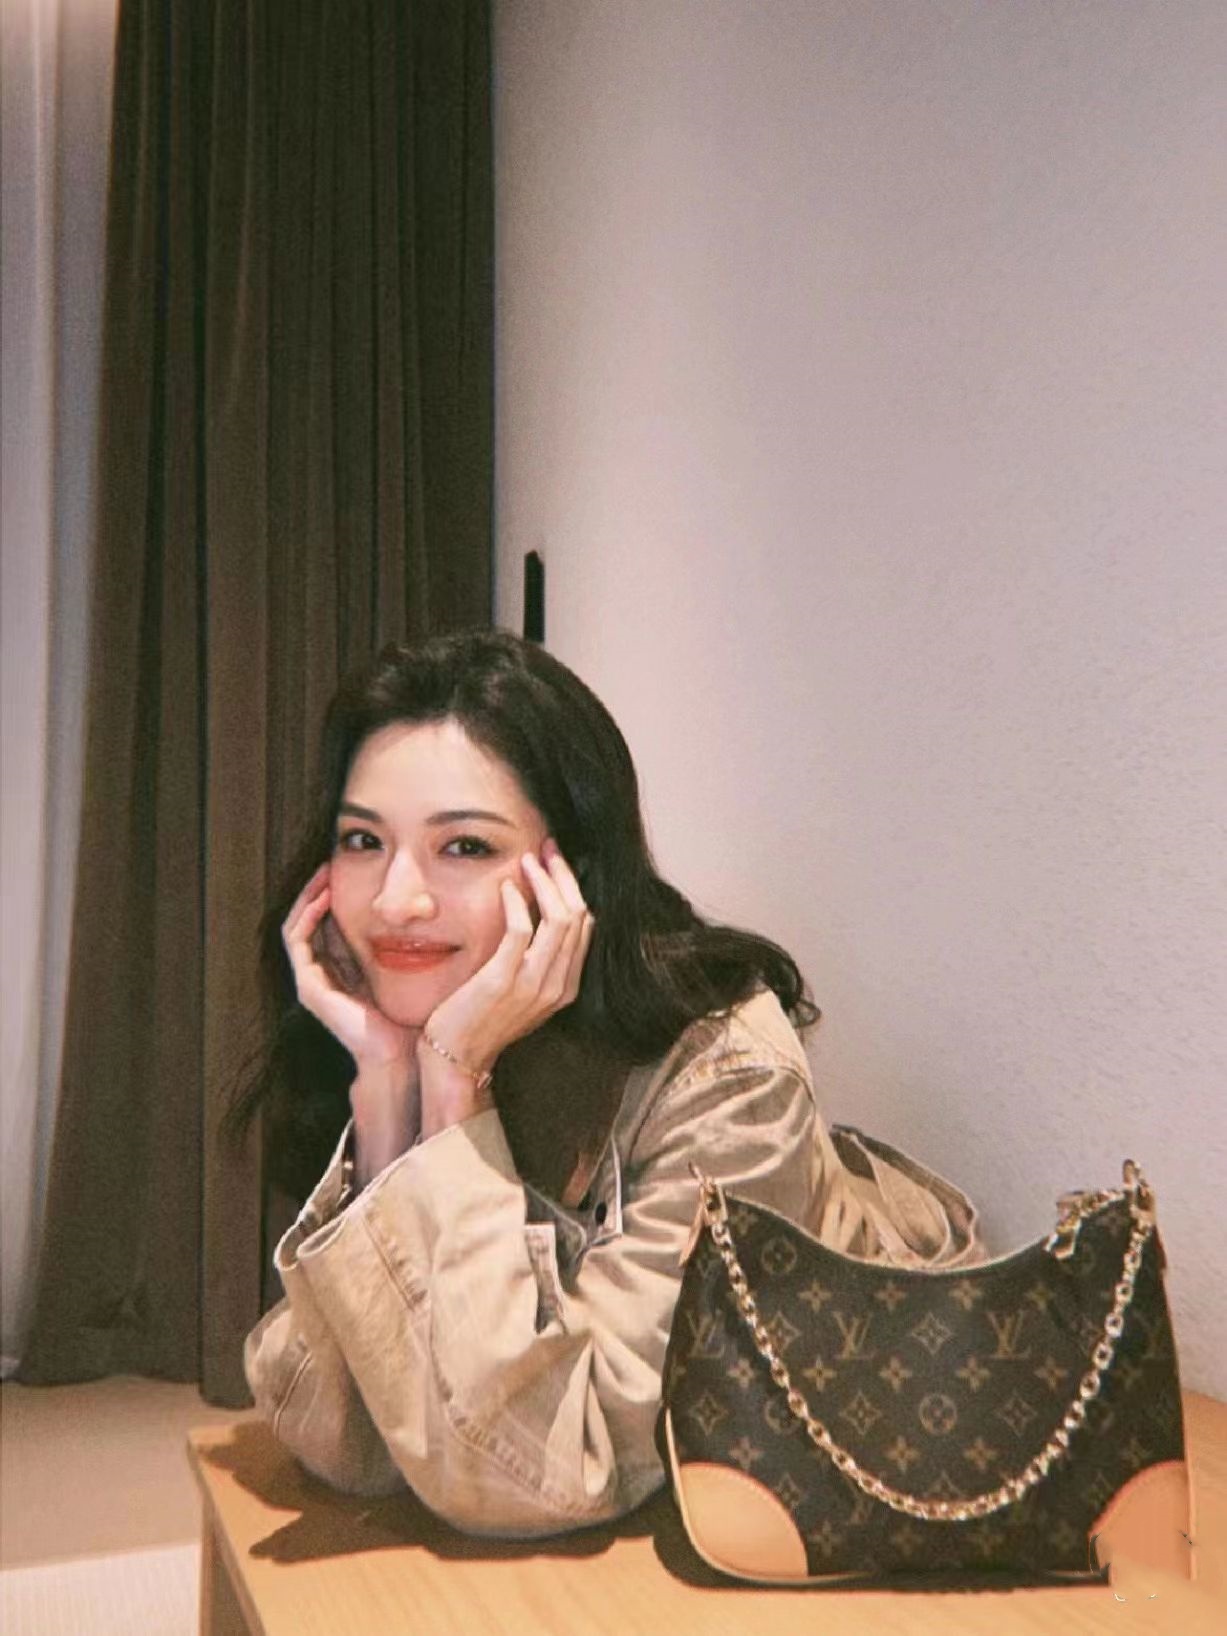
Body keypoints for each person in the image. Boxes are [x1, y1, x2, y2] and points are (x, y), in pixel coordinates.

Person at [240, 628, 981, 1539]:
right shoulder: (432, 1025)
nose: (396, 901)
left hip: (876, 1481)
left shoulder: (724, 1075)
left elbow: (542, 1475)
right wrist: (392, 1091)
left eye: (463, 846)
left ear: (572, 876)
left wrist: (456, 1088)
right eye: (362, 840)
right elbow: (337, 1434)